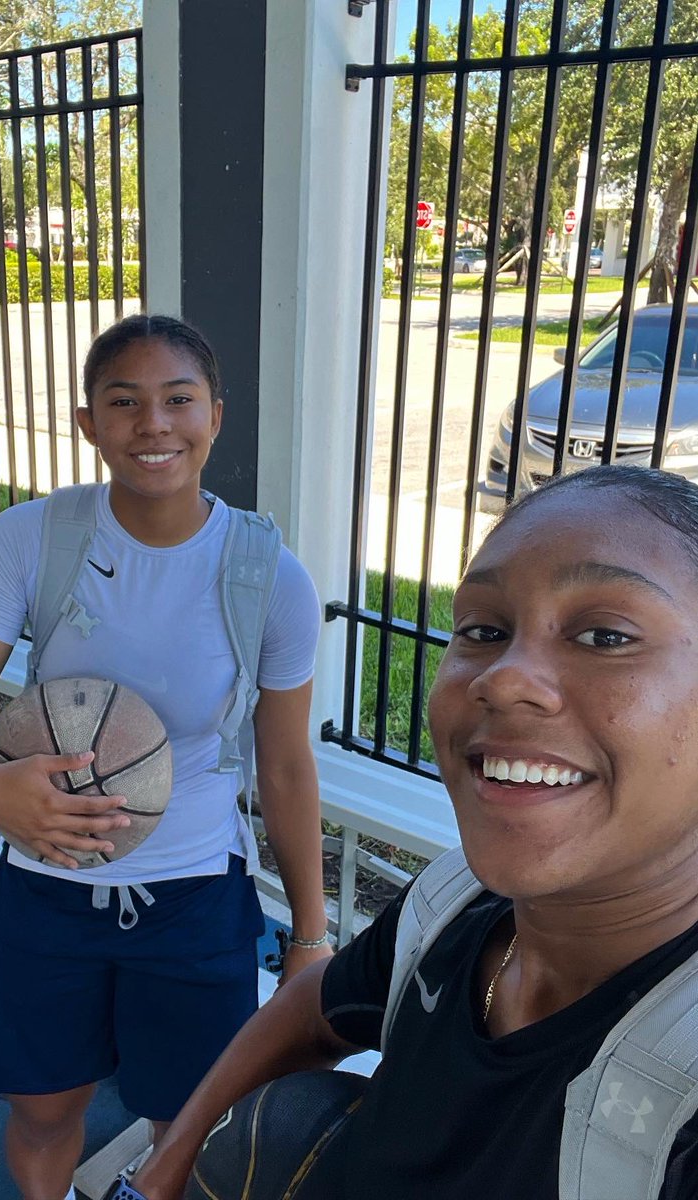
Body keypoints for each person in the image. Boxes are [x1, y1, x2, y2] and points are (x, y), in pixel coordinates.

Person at [125, 464, 698, 1200]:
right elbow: (316, 1006)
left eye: (604, 635)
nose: (503, 676)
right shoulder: (452, 904)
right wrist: (166, 1166)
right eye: (483, 630)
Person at [0, 314, 332, 1200]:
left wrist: (307, 935)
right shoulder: (32, 538)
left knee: (185, 1128)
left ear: (215, 415)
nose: (154, 425)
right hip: (45, 891)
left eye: (178, 400)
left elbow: (287, 767)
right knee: (41, 1110)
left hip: (193, 904)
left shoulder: (268, 577)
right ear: (88, 424)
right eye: (124, 402)